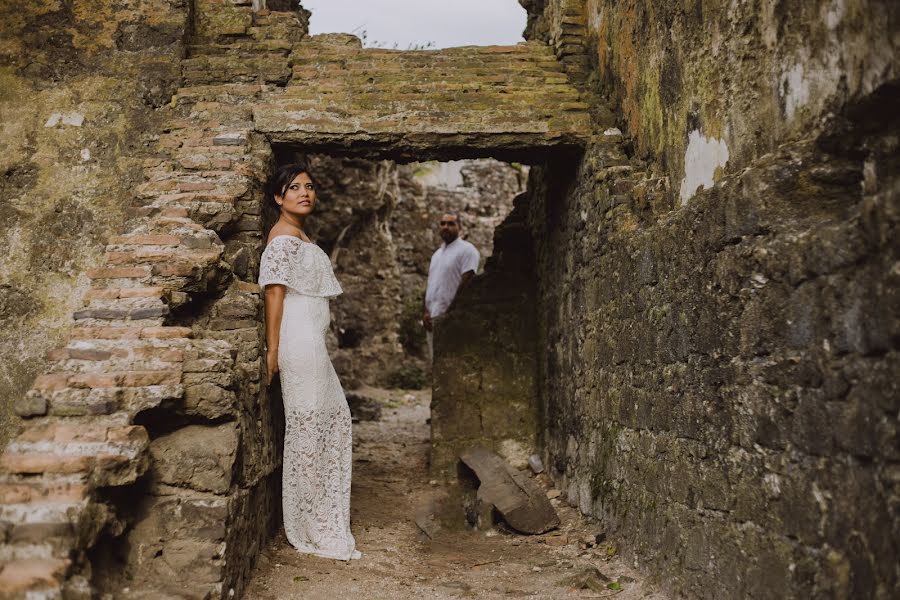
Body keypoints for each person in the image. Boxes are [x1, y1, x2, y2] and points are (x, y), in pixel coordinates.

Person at [258, 163, 361, 561]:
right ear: (278, 198)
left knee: (330, 420)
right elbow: (274, 295)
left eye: (309, 186)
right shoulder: (282, 238)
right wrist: (272, 351)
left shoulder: (299, 235)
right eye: (294, 188)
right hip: (297, 343)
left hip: (311, 343)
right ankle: (309, 524)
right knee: (309, 426)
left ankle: (321, 513)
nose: (305, 193)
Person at [423, 213, 480, 359]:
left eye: (450, 224)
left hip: (452, 319)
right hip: (433, 320)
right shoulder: (436, 255)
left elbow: (468, 282)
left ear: (459, 227)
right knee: (435, 364)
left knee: (453, 363)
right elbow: (431, 285)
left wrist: (450, 313)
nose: (445, 227)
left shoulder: (467, 250)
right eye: (442, 224)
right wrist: (426, 313)